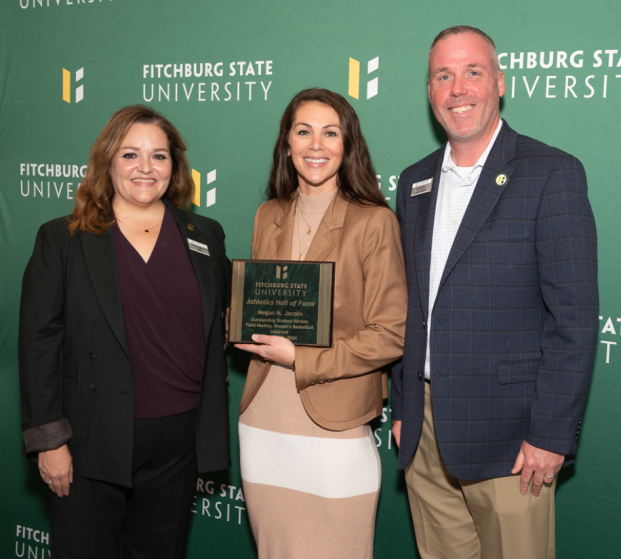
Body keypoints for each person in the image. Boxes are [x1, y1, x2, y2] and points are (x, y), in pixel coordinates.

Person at [391, 25, 599, 559]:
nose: (457, 88)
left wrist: (551, 434)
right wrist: (401, 406)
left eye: (472, 72)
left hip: (512, 437)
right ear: (430, 91)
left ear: (499, 82)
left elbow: (573, 320)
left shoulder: (550, 173)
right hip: (424, 430)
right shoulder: (413, 183)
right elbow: (412, 303)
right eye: (443, 75)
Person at [19, 105, 231, 559]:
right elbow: (39, 345)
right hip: (90, 441)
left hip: (178, 443)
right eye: (130, 155)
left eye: (159, 156)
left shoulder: (206, 235)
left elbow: (230, 318)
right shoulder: (64, 239)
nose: (145, 168)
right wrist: (49, 441)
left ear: (175, 167)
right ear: (108, 162)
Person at [235, 88, 407, 559]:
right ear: (286, 145)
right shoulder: (268, 214)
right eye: (303, 131)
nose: (316, 144)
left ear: (348, 144)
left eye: (331, 133)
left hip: (335, 424)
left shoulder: (374, 222)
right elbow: (264, 304)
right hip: (263, 418)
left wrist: (301, 357)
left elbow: (392, 334)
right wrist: (239, 319)